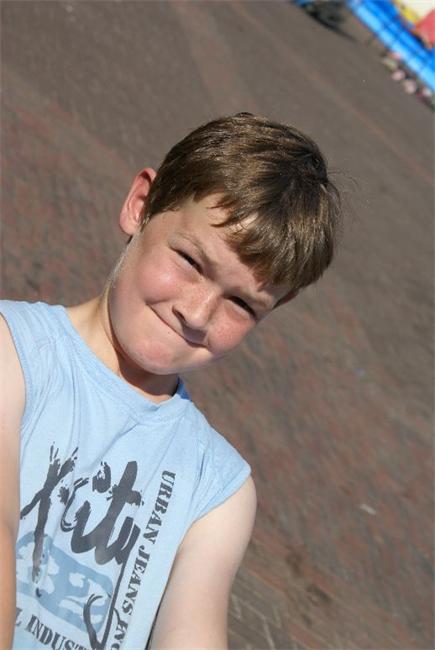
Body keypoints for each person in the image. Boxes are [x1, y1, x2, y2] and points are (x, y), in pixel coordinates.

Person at [0, 113, 341, 650]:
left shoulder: (218, 488)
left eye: (242, 304)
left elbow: (192, 631)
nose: (197, 313)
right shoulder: (15, 350)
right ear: (141, 205)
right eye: (190, 261)